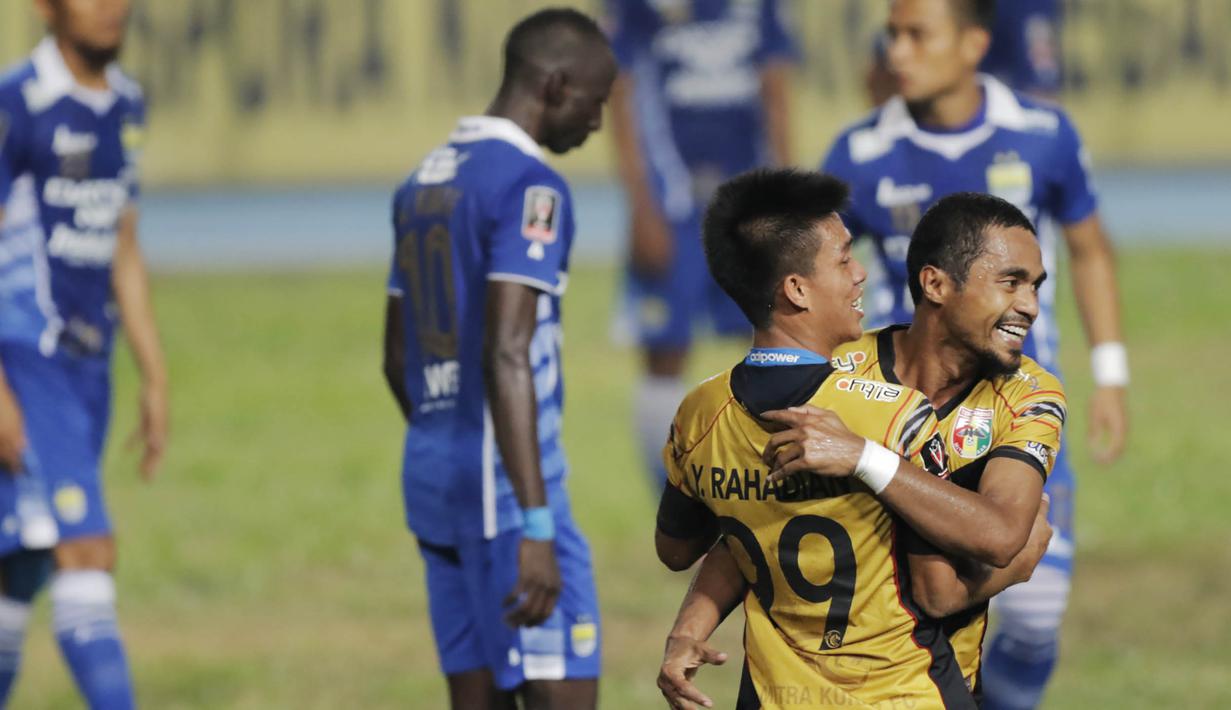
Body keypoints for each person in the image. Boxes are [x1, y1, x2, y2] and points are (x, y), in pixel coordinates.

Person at [821, 2, 1128, 706]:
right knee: (920, 602)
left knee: (1031, 616)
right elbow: (821, 269)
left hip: (1018, 416)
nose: (896, 50)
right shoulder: (859, 152)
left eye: (915, 35)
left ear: (972, 43)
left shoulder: (1042, 134)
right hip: (905, 419)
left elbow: (1086, 249)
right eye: (890, 35)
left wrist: (1110, 372)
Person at [654, 171, 1053, 709]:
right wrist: (1015, 561)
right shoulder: (858, 388)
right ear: (936, 285)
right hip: (912, 689)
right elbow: (946, 583)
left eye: (1036, 285)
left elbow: (733, 523)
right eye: (1011, 283)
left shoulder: (1029, 392)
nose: (1029, 305)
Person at [382, 9, 615, 710]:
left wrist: (441, 431)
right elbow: (507, 351)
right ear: (553, 85)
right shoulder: (528, 186)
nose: (597, 124)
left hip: (432, 479)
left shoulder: (421, 181)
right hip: (509, 497)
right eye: (593, 103)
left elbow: (396, 357)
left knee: (475, 696)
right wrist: (534, 524)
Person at [0, 0, 167, 706]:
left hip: (87, 369)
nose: (110, 8)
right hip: (26, 357)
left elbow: (122, 246)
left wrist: (153, 375)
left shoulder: (124, 104)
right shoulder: (17, 105)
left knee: (21, 567)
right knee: (87, 549)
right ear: (47, 7)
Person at [603, 0, 797, 492]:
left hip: (747, 202)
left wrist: (787, 199)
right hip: (671, 203)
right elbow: (622, 92)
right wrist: (640, 204)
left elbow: (775, 86)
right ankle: (672, 503)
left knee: (768, 344)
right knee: (665, 350)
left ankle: (764, 497)